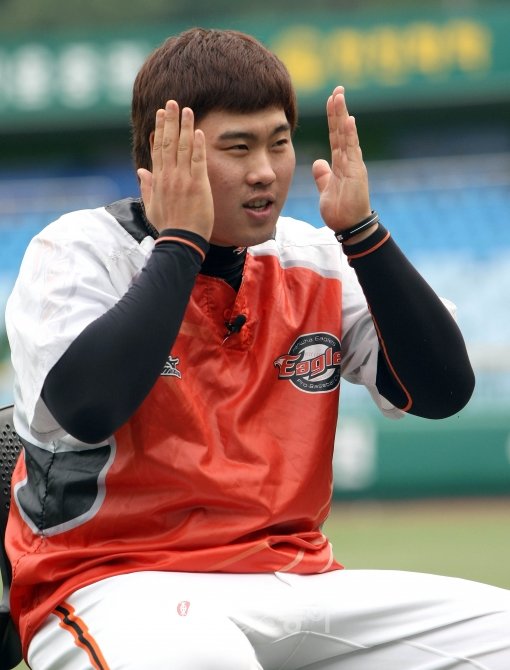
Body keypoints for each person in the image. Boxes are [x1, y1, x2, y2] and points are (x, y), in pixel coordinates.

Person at [4, 27, 510, 670]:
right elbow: (87, 407)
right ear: (167, 154)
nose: (265, 170)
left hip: (298, 579)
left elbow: (443, 391)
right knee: (205, 658)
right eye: (237, 147)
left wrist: (363, 234)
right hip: (117, 582)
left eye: (279, 142)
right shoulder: (77, 250)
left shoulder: (314, 255)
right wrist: (182, 243)